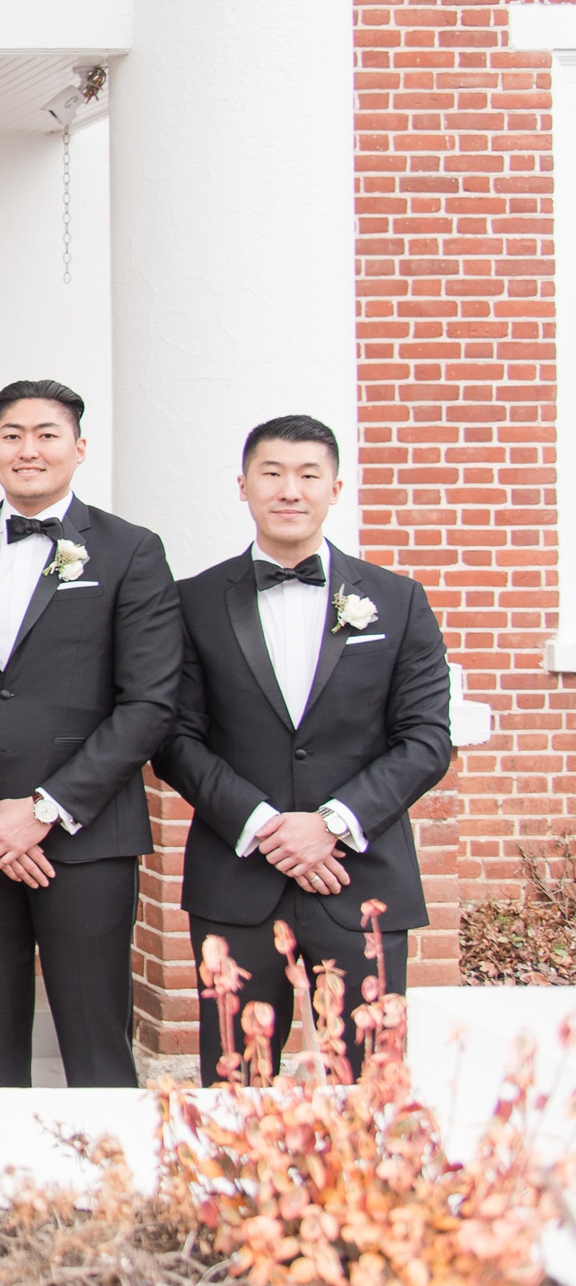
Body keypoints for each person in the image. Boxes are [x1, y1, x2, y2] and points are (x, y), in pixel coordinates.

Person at [156, 414, 452, 1079]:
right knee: (234, 1083)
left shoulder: (399, 601)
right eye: (273, 472)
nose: (290, 489)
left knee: (368, 1087)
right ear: (243, 484)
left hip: (359, 878)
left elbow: (428, 738)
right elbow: (175, 737)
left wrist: (330, 825)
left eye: (308, 474)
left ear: (336, 487)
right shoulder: (192, 601)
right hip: (237, 881)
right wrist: (266, 827)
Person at [0, 379, 180, 1087]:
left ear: (79, 448)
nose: (28, 449)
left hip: (83, 837)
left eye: (47, 434)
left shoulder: (131, 552)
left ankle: (114, 1192)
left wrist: (42, 811)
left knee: (96, 1042)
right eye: (13, 435)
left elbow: (149, 702)